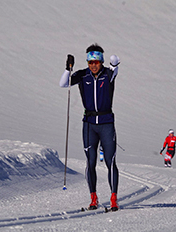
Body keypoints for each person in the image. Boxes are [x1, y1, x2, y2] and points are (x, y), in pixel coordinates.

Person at [59, 43, 120, 211]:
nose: (93, 65)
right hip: (89, 125)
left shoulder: (107, 74)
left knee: (110, 161)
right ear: (87, 62)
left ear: (101, 62)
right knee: (90, 162)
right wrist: (67, 68)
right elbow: (63, 84)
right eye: (90, 62)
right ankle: (93, 198)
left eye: (96, 62)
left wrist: (114, 64)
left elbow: (114, 70)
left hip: (106, 123)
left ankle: (113, 198)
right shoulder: (83, 75)